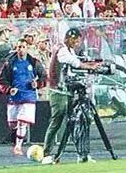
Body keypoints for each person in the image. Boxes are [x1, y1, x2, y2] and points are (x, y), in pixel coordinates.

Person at [41, 27, 101, 164]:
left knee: (75, 121)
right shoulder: (62, 50)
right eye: (76, 40)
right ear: (70, 38)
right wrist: (90, 66)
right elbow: (75, 63)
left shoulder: (70, 50)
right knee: (57, 120)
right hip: (58, 91)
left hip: (67, 91)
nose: (77, 43)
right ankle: (47, 153)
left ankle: (82, 153)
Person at [0, 39, 45, 156]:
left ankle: (18, 146)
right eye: (19, 47)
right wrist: (9, 89)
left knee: (22, 122)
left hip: (29, 96)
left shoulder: (33, 62)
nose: (21, 50)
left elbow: (44, 76)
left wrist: (37, 84)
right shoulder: (9, 63)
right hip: (15, 97)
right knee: (13, 124)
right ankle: (17, 137)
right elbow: (1, 80)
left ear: (27, 48)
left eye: (23, 47)